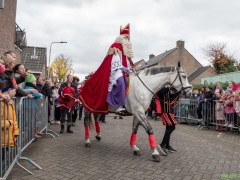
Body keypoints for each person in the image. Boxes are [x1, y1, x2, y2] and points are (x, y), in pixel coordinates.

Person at [79, 23, 136, 115]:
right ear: (122, 37)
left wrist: (131, 69)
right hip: (116, 71)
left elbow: (129, 61)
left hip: (125, 71)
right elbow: (115, 61)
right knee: (121, 83)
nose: (128, 40)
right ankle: (118, 106)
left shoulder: (126, 48)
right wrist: (123, 68)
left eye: (129, 38)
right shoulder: (116, 46)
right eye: (126, 38)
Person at [156, 84, 180, 156]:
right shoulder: (163, 89)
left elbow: (175, 94)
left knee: (169, 127)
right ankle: (162, 144)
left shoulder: (170, 89)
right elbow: (163, 93)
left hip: (169, 110)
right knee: (172, 127)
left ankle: (167, 146)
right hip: (166, 110)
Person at [1, 80, 19, 161]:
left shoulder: (11, 102)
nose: (15, 92)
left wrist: (15, 134)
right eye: (14, 90)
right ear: (9, 90)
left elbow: (14, 120)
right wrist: (8, 123)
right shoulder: (1, 104)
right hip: (2, 139)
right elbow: (11, 121)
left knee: (3, 158)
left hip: (6, 138)